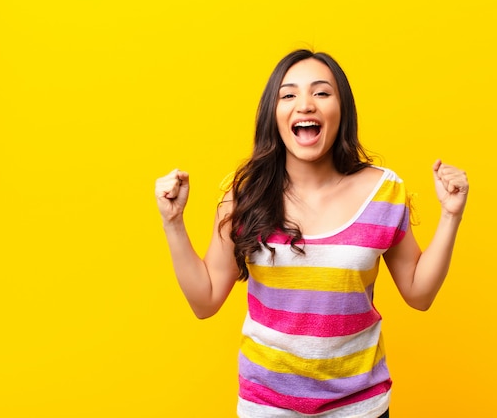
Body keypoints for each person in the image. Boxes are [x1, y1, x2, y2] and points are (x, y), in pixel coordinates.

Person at [155, 49, 469, 418]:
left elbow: (419, 294)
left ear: (342, 110)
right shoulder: (245, 194)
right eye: (289, 95)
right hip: (266, 409)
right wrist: (173, 222)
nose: (305, 105)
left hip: (359, 409)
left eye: (321, 93)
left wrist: (450, 216)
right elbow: (205, 300)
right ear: (274, 114)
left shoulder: (384, 193)